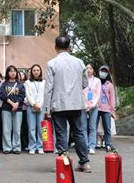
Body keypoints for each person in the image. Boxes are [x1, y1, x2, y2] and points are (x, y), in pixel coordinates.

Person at [44, 36, 91, 172]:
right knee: (79, 133)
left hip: (58, 104)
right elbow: (85, 83)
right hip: (77, 103)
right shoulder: (79, 62)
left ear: (55, 47)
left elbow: (48, 88)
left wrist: (46, 108)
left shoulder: (52, 63)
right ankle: (84, 162)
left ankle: (64, 162)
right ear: (69, 47)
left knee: (61, 133)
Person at [0, 65, 26, 154]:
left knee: (17, 129)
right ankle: (7, 147)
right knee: (6, 129)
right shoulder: (4, 84)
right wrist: (11, 103)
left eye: (14, 71)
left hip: (18, 109)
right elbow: (2, 95)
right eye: (10, 71)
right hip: (6, 109)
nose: (13, 72)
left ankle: (17, 147)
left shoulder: (20, 85)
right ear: (7, 73)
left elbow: (22, 95)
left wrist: (17, 103)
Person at [25, 64, 46, 155]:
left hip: (41, 107)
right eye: (34, 70)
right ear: (31, 72)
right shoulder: (27, 82)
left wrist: (40, 105)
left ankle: (40, 146)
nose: (36, 72)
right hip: (31, 106)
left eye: (38, 70)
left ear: (40, 71)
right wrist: (34, 104)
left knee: (41, 128)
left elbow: (44, 95)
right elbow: (28, 94)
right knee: (31, 128)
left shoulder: (44, 82)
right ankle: (32, 146)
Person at [82, 63, 101, 154]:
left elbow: (98, 94)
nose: (88, 70)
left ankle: (92, 146)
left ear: (93, 70)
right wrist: (85, 105)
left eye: (90, 68)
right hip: (83, 107)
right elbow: (80, 93)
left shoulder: (97, 80)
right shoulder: (82, 80)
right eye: (87, 68)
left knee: (93, 127)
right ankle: (85, 146)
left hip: (94, 107)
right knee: (83, 127)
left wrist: (92, 105)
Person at [97, 65, 116, 150]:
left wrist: (113, 110)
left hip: (106, 109)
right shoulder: (96, 82)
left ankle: (108, 144)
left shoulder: (110, 85)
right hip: (96, 108)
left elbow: (112, 98)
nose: (103, 73)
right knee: (94, 127)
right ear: (99, 71)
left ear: (107, 73)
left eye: (105, 71)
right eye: (102, 71)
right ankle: (94, 143)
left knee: (107, 128)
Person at [19, 71, 29, 151]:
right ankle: (21, 143)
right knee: (19, 127)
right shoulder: (16, 84)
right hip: (18, 108)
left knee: (25, 127)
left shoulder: (26, 84)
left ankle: (26, 143)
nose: (20, 75)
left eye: (22, 74)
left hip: (26, 108)